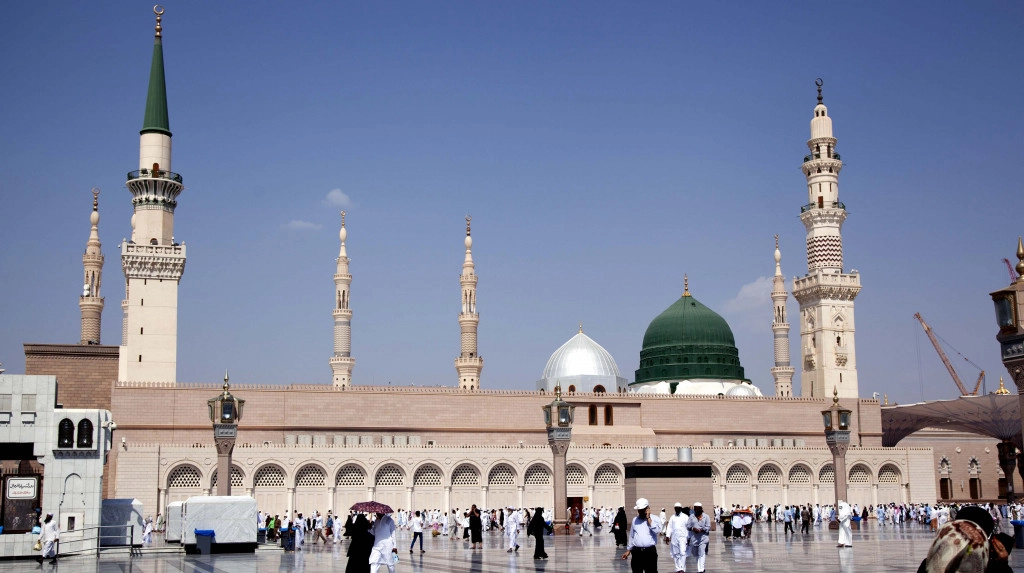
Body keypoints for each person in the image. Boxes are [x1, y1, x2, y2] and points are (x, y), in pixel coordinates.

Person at [621, 497, 661, 573]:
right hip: (637, 552)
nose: (640, 512)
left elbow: (657, 531)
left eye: (642, 510)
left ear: (647, 509)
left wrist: (648, 518)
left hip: (649, 552)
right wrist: (628, 550)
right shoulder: (635, 520)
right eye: (639, 510)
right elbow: (632, 536)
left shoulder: (655, 519)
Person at [665, 503, 689, 573]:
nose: (677, 509)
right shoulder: (672, 517)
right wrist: (667, 536)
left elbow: (688, 528)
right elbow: (669, 527)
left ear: (680, 508)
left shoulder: (685, 517)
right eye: (676, 508)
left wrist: (689, 537)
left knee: (682, 552)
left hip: (683, 537)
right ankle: (678, 568)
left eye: (678, 508)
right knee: (676, 554)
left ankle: (682, 568)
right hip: (674, 538)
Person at [687, 503, 711, 573]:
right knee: (696, 554)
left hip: (703, 538)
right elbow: (688, 526)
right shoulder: (691, 516)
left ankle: (700, 569)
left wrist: (702, 529)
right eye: (695, 508)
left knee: (702, 552)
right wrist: (693, 528)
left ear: (701, 508)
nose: (696, 510)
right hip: (694, 539)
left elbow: (708, 527)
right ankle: (700, 568)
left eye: (697, 508)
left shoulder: (706, 516)